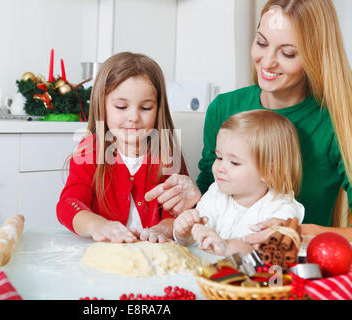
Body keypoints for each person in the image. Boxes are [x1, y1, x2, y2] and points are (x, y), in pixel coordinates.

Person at [146, 0, 352, 241]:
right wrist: (189, 203)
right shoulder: (224, 108)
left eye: (288, 53)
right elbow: (211, 201)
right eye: (261, 43)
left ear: (316, 56)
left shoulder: (337, 123)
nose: (267, 62)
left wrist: (299, 231)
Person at [56, 52, 188, 243]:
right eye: (121, 107)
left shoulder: (167, 153)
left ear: (158, 108)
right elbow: (68, 205)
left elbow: (179, 213)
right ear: (102, 105)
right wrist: (98, 225)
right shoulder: (90, 151)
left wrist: (162, 230)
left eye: (145, 108)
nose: (133, 117)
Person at [173, 110, 305, 256]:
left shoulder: (281, 208)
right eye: (219, 157)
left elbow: (263, 250)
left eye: (234, 163)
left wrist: (226, 246)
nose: (220, 168)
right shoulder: (216, 193)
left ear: (269, 172)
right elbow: (197, 236)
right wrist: (185, 233)